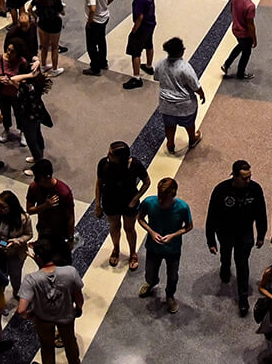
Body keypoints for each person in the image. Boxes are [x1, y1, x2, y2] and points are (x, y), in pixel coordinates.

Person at [207, 159, 268, 317]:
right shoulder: (221, 190)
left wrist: (261, 234)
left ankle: (243, 297)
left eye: (249, 177)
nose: (248, 180)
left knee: (242, 264)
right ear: (234, 176)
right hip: (225, 233)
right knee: (226, 255)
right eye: (244, 178)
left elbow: (261, 213)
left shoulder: (255, 189)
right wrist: (211, 240)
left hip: (245, 234)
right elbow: (212, 216)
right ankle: (225, 267)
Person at [16, 240, 85, 364]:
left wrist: (29, 314)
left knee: (47, 347)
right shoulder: (70, 272)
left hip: (43, 319)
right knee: (70, 342)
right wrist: (78, 308)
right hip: (66, 316)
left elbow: (21, 310)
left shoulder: (31, 279)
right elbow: (78, 296)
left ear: (38, 258)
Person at [137, 176, 194, 312]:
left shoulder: (182, 208)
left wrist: (173, 235)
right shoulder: (149, 203)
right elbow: (140, 219)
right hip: (153, 247)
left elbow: (189, 226)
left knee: (173, 275)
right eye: (159, 196)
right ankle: (151, 283)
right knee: (150, 273)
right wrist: (151, 232)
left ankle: (170, 295)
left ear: (173, 195)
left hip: (172, 249)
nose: (161, 200)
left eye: (165, 198)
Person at [94, 141, 151, 271]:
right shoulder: (104, 164)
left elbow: (147, 182)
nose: (107, 155)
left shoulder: (135, 165)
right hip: (110, 201)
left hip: (129, 202)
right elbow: (99, 184)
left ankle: (133, 253)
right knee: (114, 226)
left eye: (111, 154)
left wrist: (136, 198)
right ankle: (116, 249)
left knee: (129, 228)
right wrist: (97, 204)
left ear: (121, 157)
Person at [157, 36, 206, 154]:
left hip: (166, 104)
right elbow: (195, 86)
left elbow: (157, 78)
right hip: (185, 105)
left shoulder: (160, 64)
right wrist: (202, 94)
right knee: (189, 123)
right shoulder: (185, 67)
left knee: (169, 125)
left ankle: (170, 144)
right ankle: (192, 139)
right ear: (181, 50)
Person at [122, 0, 158, 89]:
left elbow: (140, 17)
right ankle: (148, 66)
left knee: (135, 52)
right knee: (149, 44)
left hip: (141, 28)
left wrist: (134, 30)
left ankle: (136, 77)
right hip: (151, 23)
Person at [223, 0, 259, 80]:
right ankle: (240, 73)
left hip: (235, 29)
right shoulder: (250, 6)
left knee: (240, 46)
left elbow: (231, 9)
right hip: (245, 33)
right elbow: (250, 25)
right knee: (246, 53)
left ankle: (227, 64)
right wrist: (254, 39)